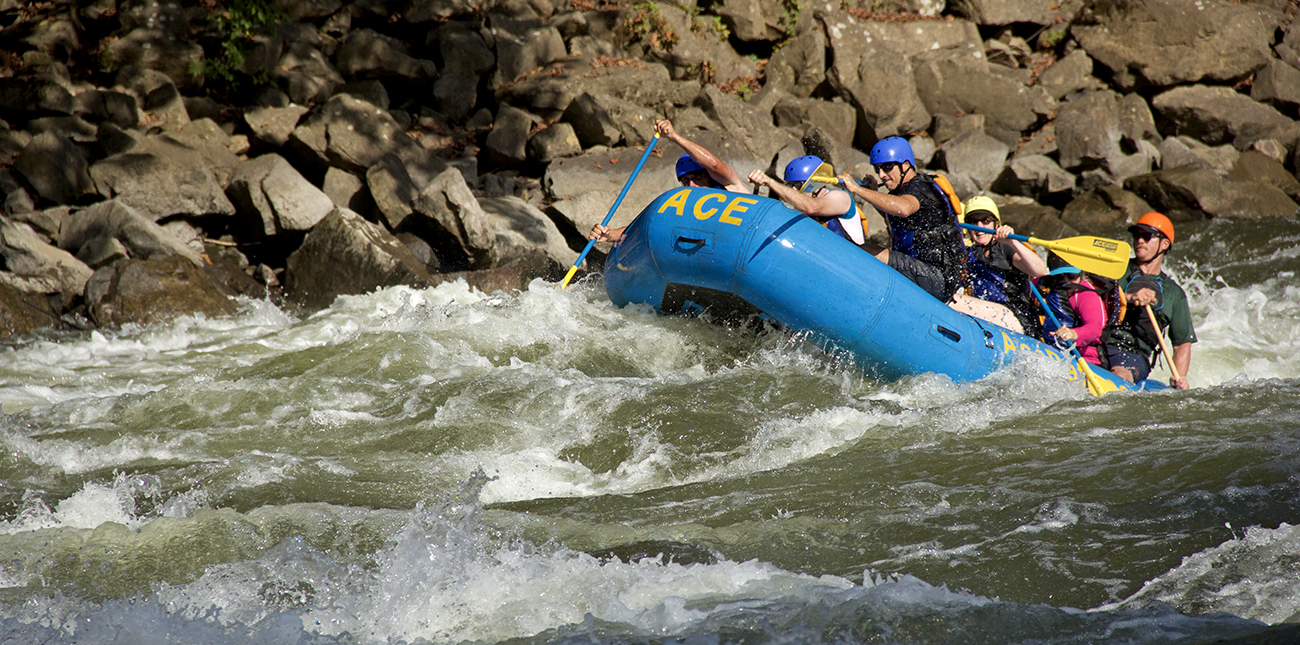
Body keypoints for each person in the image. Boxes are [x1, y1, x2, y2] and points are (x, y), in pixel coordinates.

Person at [834, 136, 967, 304]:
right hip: (921, 270)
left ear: (905, 165)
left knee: (870, 253)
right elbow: (895, 216)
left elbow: (903, 209)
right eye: (878, 169)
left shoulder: (920, 188)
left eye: (887, 167)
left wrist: (857, 189)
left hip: (939, 279)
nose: (882, 175)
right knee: (862, 249)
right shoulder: (901, 191)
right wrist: (873, 192)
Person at [589, 119, 747, 243]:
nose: (691, 185)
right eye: (686, 180)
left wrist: (673, 137)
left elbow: (714, 164)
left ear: (710, 176)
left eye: (698, 177)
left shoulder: (731, 185)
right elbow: (643, 228)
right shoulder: (684, 209)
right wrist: (609, 235)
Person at [1104, 211, 1195, 389]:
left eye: (1147, 236)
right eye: (1137, 236)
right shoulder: (1115, 270)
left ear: (1164, 244)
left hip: (1133, 354)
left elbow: (1182, 343)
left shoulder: (1173, 294)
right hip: (1100, 340)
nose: (1140, 241)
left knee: (1121, 374)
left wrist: (1180, 377)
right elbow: (1093, 298)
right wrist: (1128, 298)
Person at [962, 196, 1047, 337]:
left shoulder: (1005, 248)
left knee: (953, 300)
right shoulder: (971, 253)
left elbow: (1039, 271)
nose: (979, 227)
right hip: (988, 313)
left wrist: (1013, 242)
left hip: (1015, 317)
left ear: (996, 225)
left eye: (985, 221)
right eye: (973, 222)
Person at [745, 155, 865, 245]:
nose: (792, 190)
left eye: (797, 185)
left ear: (816, 185)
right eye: (789, 185)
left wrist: (770, 182)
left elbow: (811, 207)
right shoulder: (799, 207)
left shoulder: (841, 198)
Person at [1036, 254, 1109, 366]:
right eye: (1060, 277)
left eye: (1071, 275)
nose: (1066, 281)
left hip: (1084, 359)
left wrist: (1072, 333)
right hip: (1048, 350)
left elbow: (1094, 329)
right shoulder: (1043, 285)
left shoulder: (1086, 295)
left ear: (1081, 274)